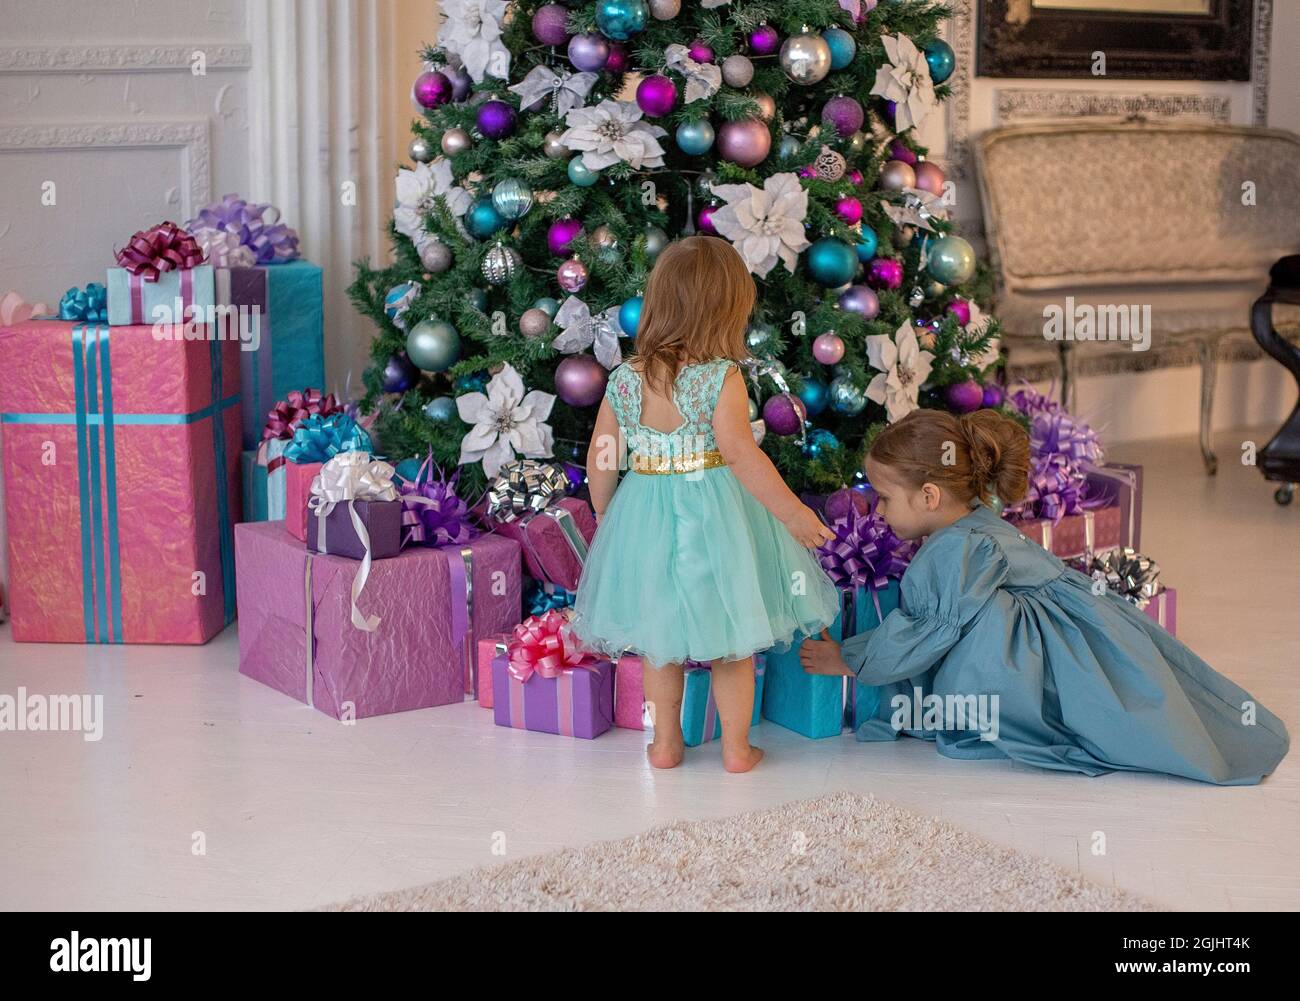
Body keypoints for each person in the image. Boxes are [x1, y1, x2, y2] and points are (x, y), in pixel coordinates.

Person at [799, 407, 1290, 785]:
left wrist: (847, 657)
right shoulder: (977, 524)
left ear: (929, 496)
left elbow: (924, 635)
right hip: (1090, 628)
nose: (877, 510)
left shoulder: (951, 551)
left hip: (1056, 661)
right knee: (1152, 698)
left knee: (1108, 716)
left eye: (883, 498)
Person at [569, 236, 840, 773]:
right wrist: (792, 513)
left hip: (643, 508)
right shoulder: (722, 376)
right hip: (714, 511)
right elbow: (742, 455)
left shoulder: (625, 377)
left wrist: (606, 514)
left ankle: (666, 744)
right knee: (731, 638)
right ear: (727, 310)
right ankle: (737, 749)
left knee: (658, 640)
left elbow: (603, 453)